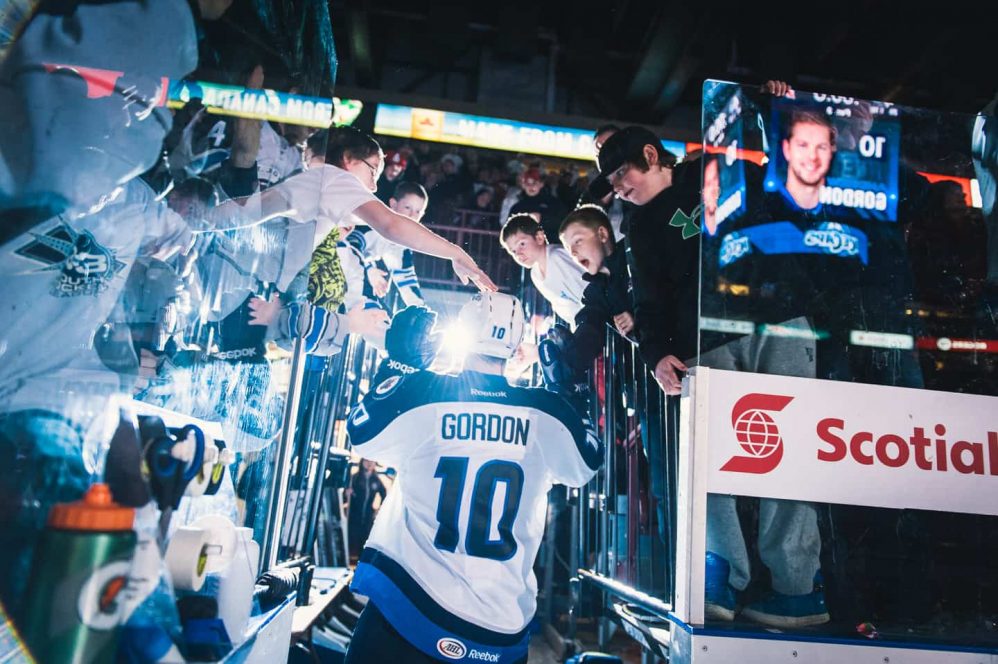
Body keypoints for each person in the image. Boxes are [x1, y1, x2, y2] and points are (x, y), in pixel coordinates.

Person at [344, 295, 601, 663]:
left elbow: (361, 433)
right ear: (515, 348)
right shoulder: (547, 412)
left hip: (407, 613)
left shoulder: (425, 393)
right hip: (497, 631)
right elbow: (586, 464)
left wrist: (398, 366)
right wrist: (571, 391)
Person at [207, 126, 496, 293]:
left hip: (238, 279)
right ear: (348, 160)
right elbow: (392, 226)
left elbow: (246, 210)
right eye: (373, 172)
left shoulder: (318, 184)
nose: (372, 186)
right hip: (245, 284)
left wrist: (196, 224)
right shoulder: (336, 179)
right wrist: (456, 252)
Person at [554, 206, 636, 376]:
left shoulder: (636, 252)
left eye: (578, 241)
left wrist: (640, 315)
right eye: (569, 249)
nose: (574, 252)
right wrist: (568, 356)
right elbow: (589, 326)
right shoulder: (593, 293)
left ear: (602, 234)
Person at [347, 181, 429, 307]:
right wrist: (369, 270)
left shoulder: (401, 243)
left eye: (418, 211)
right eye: (407, 208)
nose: (412, 215)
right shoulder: (372, 224)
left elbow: (406, 279)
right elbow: (349, 245)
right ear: (393, 204)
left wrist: (420, 307)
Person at [500, 213, 586, 328]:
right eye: (513, 251)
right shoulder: (535, 274)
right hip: (581, 326)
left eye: (522, 244)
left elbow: (587, 290)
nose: (519, 254)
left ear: (539, 237)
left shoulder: (557, 257)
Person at [509, 166, 567, 245]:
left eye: (534, 183)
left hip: (551, 246)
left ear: (541, 184)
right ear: (523, 185)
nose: (531, 186)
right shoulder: (517, 207)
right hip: (527, 249)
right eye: (527, 183)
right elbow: (510, 230)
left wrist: (542, 218)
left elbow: (563, 223)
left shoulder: (554, 203)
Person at [346, 459, 387, 561]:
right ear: (362, 462)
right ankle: (349, 561)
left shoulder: (376, 480)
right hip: (354, 515)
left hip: (368, 515)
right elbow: (345, 496)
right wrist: (347, 494)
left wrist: (379, 510)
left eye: (372, 462)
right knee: (352, 538)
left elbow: (384, 493)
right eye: (367, 461)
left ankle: (361, 562)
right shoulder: (355, 478)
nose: (369, 464)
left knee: (365, 539)